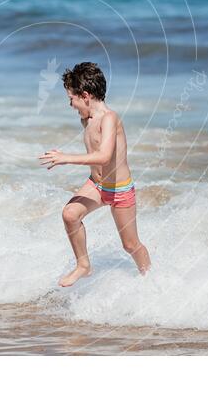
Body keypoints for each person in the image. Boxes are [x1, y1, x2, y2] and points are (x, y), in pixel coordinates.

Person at [39, 62, 151, 287]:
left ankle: (150, 278)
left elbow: (103, 156)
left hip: (119, 190)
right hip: (97, 185)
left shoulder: (110, 118)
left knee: (130, 245)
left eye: (72, 99)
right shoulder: (86, 119)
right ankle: (83, 265)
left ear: (86, 95)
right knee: (70, 214)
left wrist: (66, 157)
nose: (70, 104)